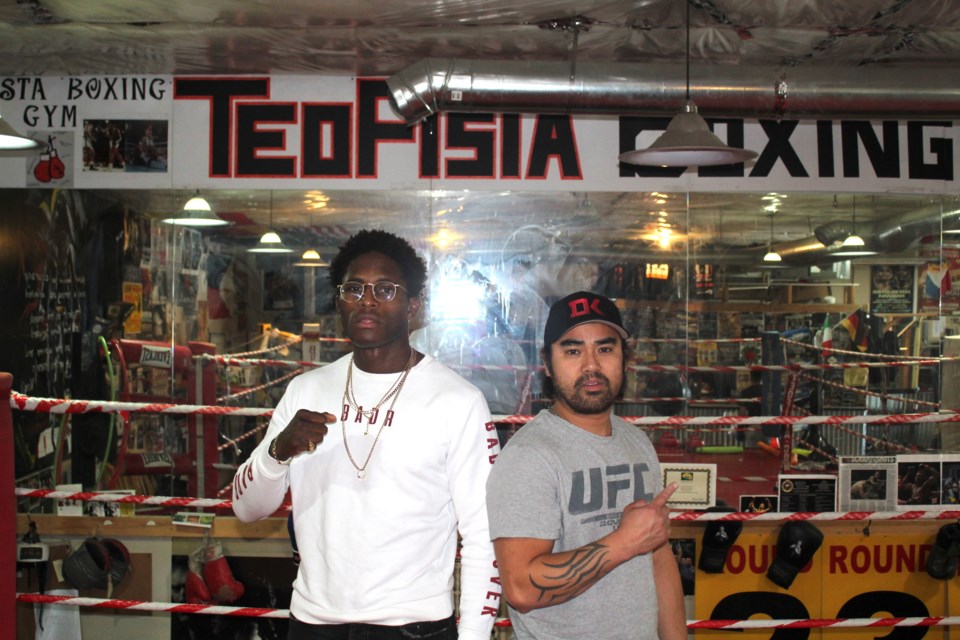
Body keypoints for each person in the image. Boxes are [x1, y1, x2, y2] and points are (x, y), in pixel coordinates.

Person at [232, 229, 501, 640]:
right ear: (339, 301)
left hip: (414, 626)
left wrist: (475, 636)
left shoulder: (457, 400)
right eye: (354, 288)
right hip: (314, 623)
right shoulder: (306, 391)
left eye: (385, 289)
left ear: (413, 307)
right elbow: (246, 510)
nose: (368, 300)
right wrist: (277, 452)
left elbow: (485, 536)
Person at [486, 290, 686, 640]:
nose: (591, 365)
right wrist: (624, 542)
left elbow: (658, 558)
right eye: (573, 350)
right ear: (547, 364)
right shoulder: (529, 456)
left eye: (605, 349)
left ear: (625, 359)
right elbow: (521, 588)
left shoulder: (636, 443)